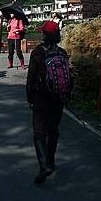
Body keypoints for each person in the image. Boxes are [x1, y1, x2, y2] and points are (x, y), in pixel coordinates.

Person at [26, 20, 71, 185]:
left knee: (39, 132)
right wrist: (66, 96)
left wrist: (30, 98)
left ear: (44, 35)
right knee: (53, 130)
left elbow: (31, 79)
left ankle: (44, 165)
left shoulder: (38, 52)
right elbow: (68, 76)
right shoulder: (63, 53)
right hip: (58, 98)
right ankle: (51, 161)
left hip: (41, 98)